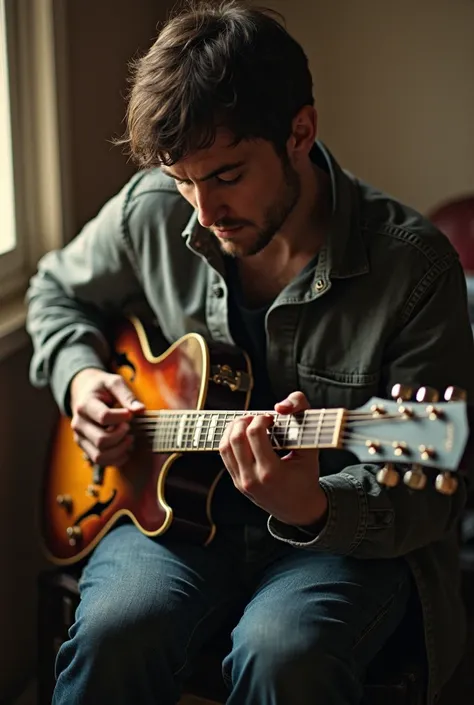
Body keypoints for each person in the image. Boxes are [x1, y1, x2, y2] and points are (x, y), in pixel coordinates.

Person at [26, 2, 474, 704]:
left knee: (281, 654)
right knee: (112, 635)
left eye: (227, 175)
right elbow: (54, 291)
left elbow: (429, 496)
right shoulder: (153, 208)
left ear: (300, 131)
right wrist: (82, 379)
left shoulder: (415, 270)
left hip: (332, 540)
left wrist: (315, 505)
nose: (202, 210)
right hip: (166, 519)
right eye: (183, 180)